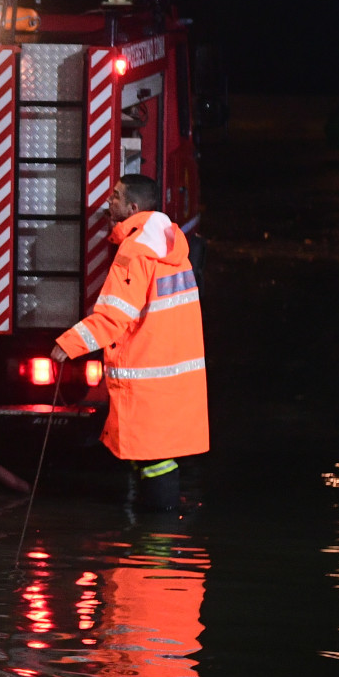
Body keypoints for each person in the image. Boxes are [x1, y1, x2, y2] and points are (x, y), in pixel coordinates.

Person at [50, 173, 208, 497]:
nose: (108, 202)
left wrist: (67, 345)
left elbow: (113, 317)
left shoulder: (134, 252)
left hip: (147, 375)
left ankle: (156, 537)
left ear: (133, 206)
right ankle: (159, 537)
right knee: (156, 458)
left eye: (116, 196)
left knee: (153, 460)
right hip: (169, 371)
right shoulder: (170, 243)